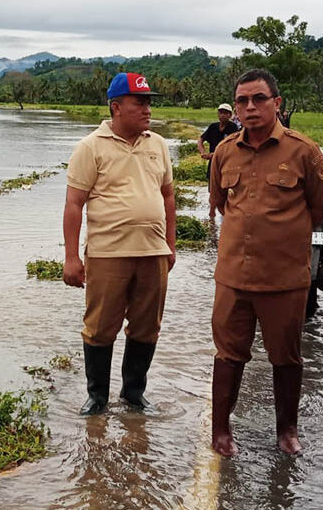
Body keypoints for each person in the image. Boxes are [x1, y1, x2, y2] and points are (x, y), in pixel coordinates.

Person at [208, 69, 323, 456]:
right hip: (233, 277)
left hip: (284, 279)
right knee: (229, 356)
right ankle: (220, 432)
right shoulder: (225, 151)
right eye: (243, 100)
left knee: (287, 357)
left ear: (276, 103)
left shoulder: (303, 151)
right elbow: (220, 202)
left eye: (259, 99)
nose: (250, 107)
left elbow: (319, 208)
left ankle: (287, 431)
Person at [63, 72, 177, 416]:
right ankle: (97, 398)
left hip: (153, 252)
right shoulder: (90, 147)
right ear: (116, 107)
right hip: (108, 253)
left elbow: (168, 196)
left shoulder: (157, 144)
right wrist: (71, 257)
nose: (147, 109)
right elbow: (73, 204)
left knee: (146, 327)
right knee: (100, 327)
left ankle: (133, 394)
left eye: (148, 102)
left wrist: (170, 244)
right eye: (139, 102)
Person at [197, 103, 241, 216]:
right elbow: (201, 139)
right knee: (212, 188)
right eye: (221, 112)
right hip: (213, 164)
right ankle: (212, 213)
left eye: (225, 113)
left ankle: (226, 213)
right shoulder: (213, 127)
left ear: (230, 115)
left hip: (228, 163)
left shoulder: (233, 128)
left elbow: (233, 147)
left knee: (226, 187)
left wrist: (215, 154)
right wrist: (202, 152)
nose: (222, 115)